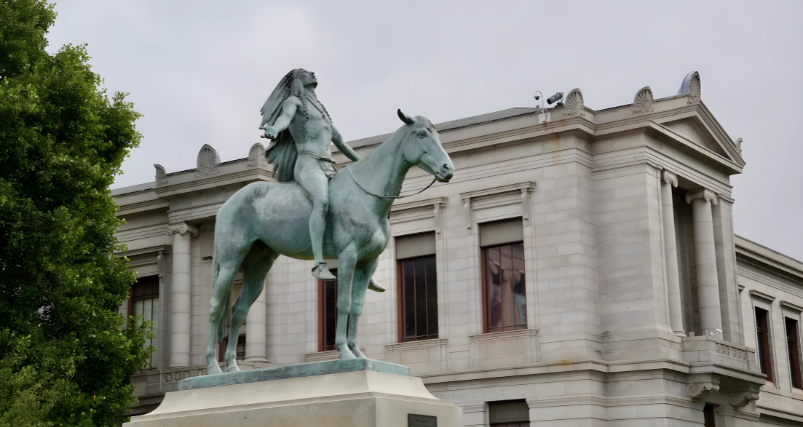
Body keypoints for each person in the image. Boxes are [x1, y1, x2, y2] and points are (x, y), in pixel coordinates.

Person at [260, 68, 385, 292]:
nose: (312, 73)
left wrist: (365, 165)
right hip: (307, 164)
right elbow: (284, 121)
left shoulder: (322, 112)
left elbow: (341, 143)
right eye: (306, 72)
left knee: (355, 206)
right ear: (298, 80)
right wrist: (273, 129)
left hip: (328, 165)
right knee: (322, 202)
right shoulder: (293, 102)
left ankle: (365, 268)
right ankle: (319, 263)